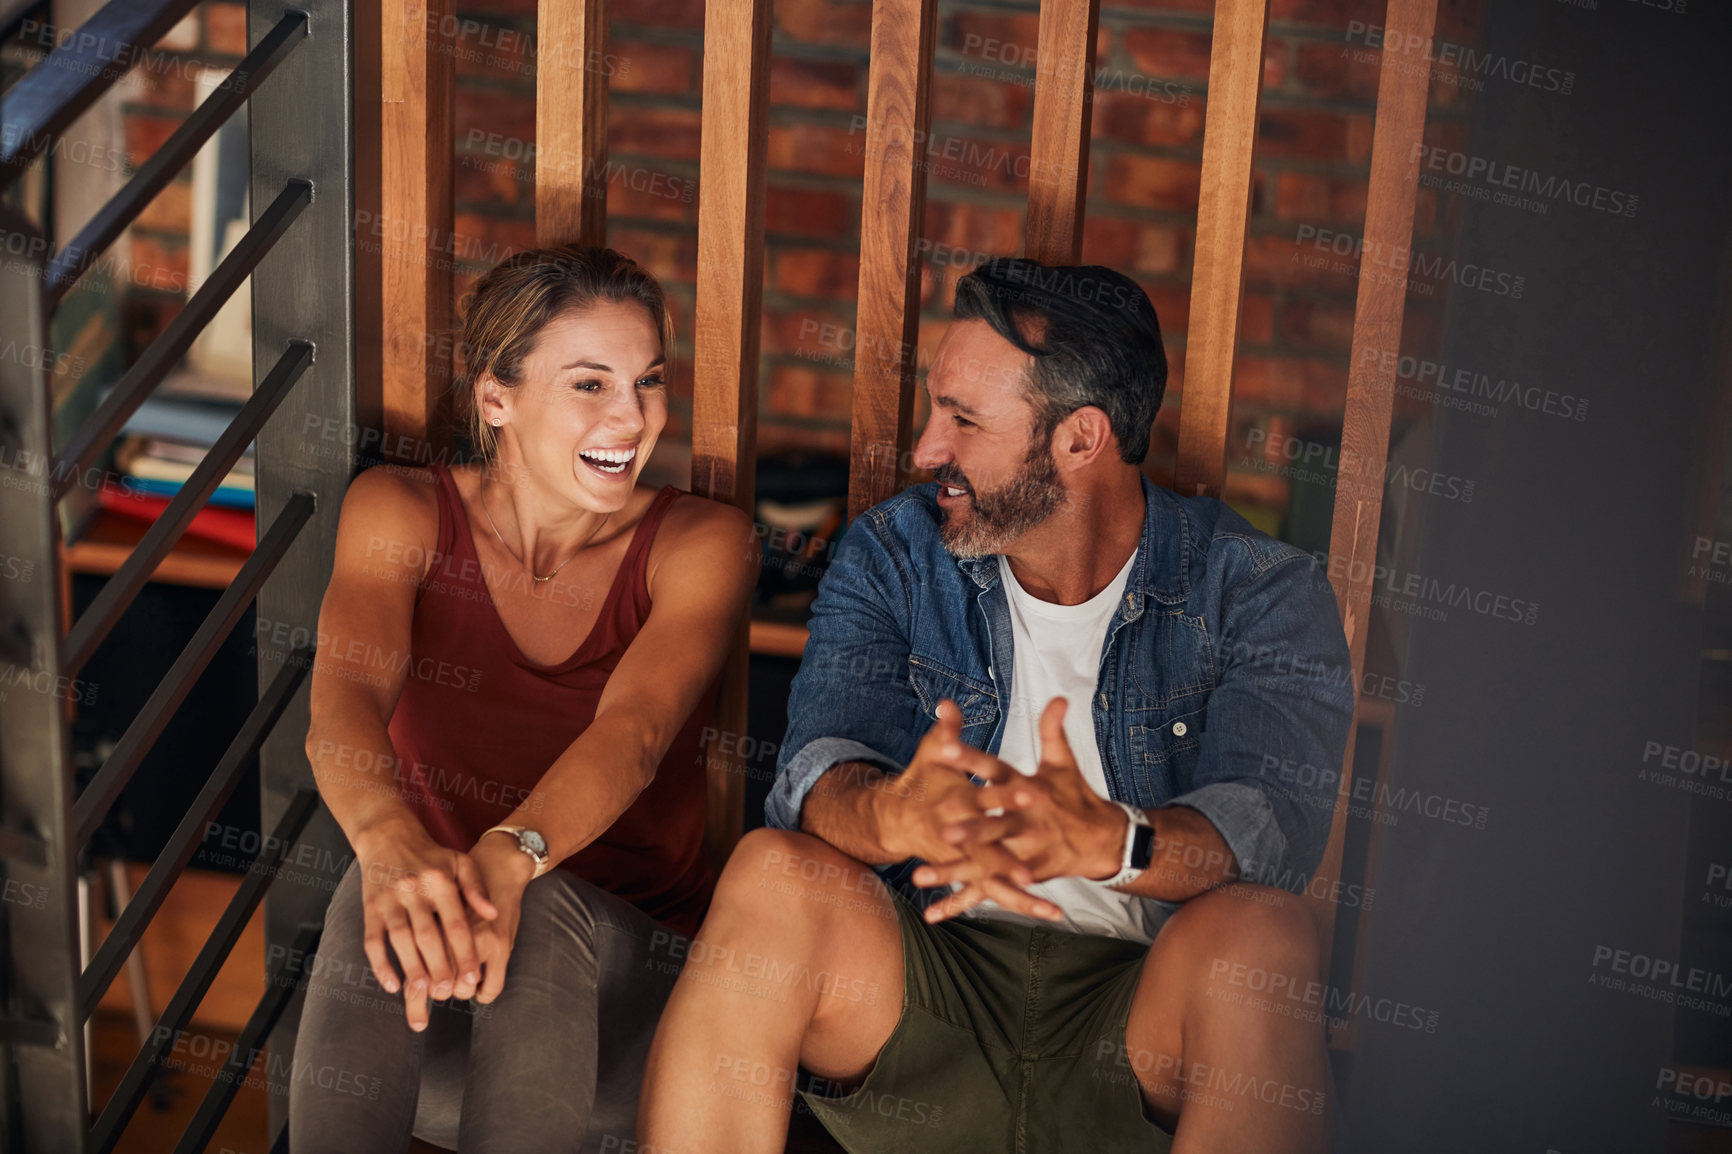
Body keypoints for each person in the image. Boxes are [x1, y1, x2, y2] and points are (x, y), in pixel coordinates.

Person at [639, 258, 1355, 1153]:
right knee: (772, 870)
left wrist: (1112, 842)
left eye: (964, 421)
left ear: (1081, 439)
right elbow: (816, 773)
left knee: (1265, 941)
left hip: (1135, 1027)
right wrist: (895, 813)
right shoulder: (896, 553)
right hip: (927, 993)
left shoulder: (1259, 590)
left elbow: (1270, 836)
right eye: (937, 409)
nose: (926, 450)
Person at [289, 244, 758, 1152]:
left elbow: (634, 733)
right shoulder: (399, 510)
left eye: (649, 380)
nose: (634, 417)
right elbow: (342, 702)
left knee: (537, 899)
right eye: (591, 385)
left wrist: (510, 858)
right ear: (494, 398)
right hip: (434, 994)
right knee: (376, 882)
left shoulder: (703, 541)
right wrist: (392, 848)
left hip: (626, 1014)